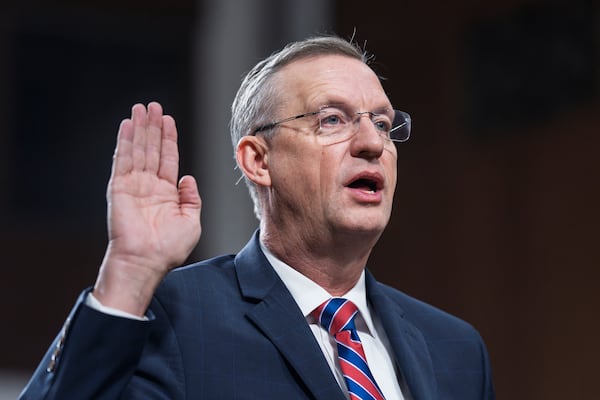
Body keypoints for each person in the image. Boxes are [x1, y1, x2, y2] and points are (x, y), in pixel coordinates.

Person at [20, 35, 495, 399]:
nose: (372, 144)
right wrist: (128, 273)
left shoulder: (455, 349)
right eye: (331, 119)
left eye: (383, 124)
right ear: (258, 161)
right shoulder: (173, 315)